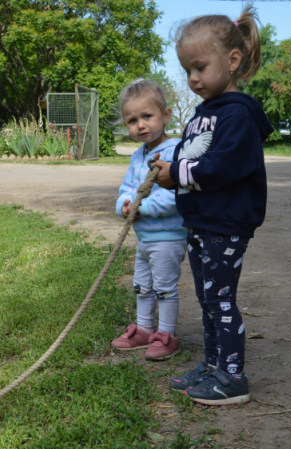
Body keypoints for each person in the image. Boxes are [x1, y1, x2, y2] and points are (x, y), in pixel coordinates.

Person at [151, 6, 274, 406]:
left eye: (200, 67)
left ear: (232, 61)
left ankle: (233, 377)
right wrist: (168, 170)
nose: (192, 79)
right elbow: (193, 157)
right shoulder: (206, 113)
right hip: (202, 223)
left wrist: (178, 173)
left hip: (226, 224)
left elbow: (222, 167)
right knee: (207, 299)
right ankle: (213, 365)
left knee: (221, 300)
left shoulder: (237, 115)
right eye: (187, 70)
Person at [111, 79, 187, 361]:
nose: (140, 125)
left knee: (165, 287)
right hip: (145, 238)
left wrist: (145, 208)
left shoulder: (176, 151)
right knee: (142, 284)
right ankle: (144, 328)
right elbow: (127, 189)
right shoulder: (137, 156)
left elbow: (176, 195)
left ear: (165, 116)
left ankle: (167, 335)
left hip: (168, 237)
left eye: (147, 116)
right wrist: (124, 205)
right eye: (132, 120)